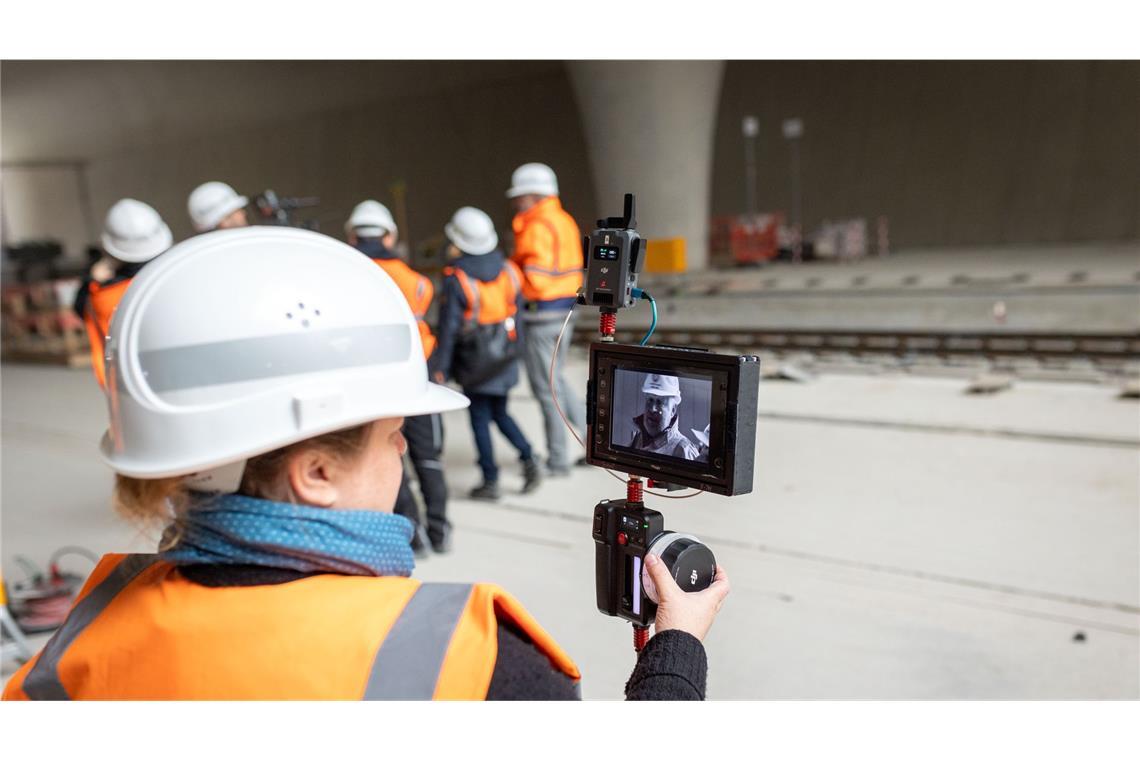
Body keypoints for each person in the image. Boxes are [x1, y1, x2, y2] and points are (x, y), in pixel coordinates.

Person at [2, 227, 729, 700]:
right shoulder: (469, 658)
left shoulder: (80, 644)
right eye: (392, 434)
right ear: (315, 475)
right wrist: (676, 646)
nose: (408, 448)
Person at [346, 200, 449, 555]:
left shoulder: (349, 276)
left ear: (351, 235)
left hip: (374, 381)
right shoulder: (418, 283)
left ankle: (414, 534)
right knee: (429, 457)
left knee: (390, 455)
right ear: (389, 235)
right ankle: (440, 530)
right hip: (418, 373)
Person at [433, 207, 541, 501]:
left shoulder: (457, 278)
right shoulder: (509, 270)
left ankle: (490, 480)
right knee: (500, 411)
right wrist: (515, 351)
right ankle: (530, 459)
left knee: (480, 418)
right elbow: (517, 315)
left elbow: (449, 330)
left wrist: (439, 367)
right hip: (505, 353)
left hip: (476, 360)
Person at [506, 162, 587, 477]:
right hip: (565, 312)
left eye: (519, 196)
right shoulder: (564, 221)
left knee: (546, 388)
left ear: (532, 195)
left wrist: (510, 278)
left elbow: (534, 276)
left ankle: (557, 460)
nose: (516, 203)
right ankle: (592, 446)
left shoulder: (536, 226)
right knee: (559, 380)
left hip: (541, 315)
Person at [73, 199, 172, 389]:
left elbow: (79, 308)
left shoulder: (101, 293)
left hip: (123, 385)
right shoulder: (171, 278)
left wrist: (90, 280)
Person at [630, 374, 700, 460]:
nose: (652, 409)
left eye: (659, 402)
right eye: (650, 400)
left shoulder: (684, 450)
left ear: (673, 410)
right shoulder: (637, 440)